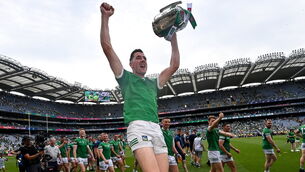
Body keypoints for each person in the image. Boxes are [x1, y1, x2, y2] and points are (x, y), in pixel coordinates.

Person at [100, 2, 180, 172]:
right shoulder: (125, 77)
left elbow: (174, 65)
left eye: (144, 58)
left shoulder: (153, 82)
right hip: (138, 127)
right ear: (131, 63)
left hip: (156, 128)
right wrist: (105, 18)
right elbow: (107, 47)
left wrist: (173, 37)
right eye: (138, 57)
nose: (142, 59)